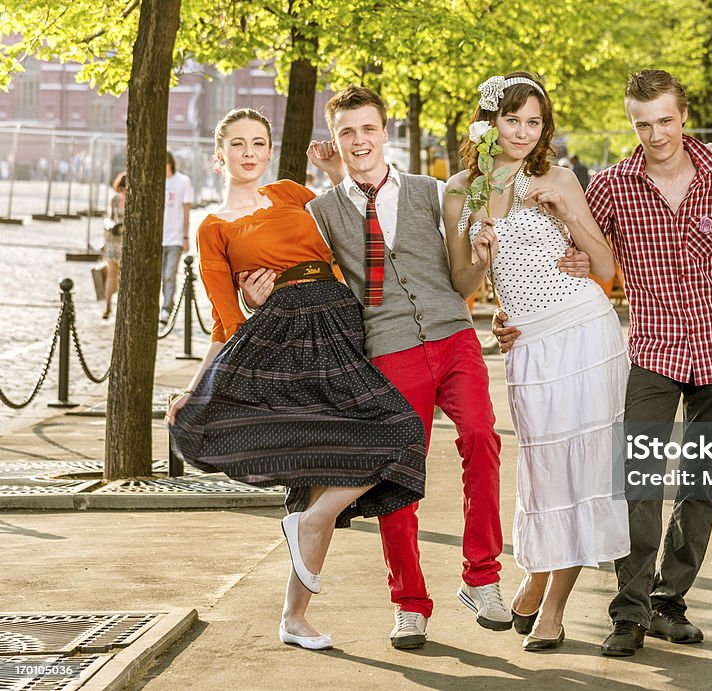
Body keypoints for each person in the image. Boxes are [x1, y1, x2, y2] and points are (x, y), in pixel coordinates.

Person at [495, 69, 712, 657]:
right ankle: (630, 612)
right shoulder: (612, 186)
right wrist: (518, 302)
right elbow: (571, 250)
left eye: (665, 121)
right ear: (632, 124)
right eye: (643, 124)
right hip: (648, 351)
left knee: (699, 488)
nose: (655, 134)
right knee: (639, 485)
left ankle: (671, 603)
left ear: (684, 116)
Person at [259, 85, 587, 650]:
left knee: (483, 436)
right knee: (399, 473)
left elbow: (473, 269)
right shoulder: (321, 213)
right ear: (336, 140)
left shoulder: (434, 193)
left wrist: (493, 276)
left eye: (368, 129)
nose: (360, 141)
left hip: (453, 334)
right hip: (387, 348)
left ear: (386, 132)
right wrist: (253, 298)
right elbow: (300, 282)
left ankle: (482, 577)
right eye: (347, 132)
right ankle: (409, 602)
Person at [165, 108, 427, 652]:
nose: (249, 152)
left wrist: (335, 175)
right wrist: (198, 382)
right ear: (221, 155)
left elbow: (350, 231)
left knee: (400, 430)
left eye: (258, 142)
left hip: (339, 323)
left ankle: (314, 523)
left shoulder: (289, 192)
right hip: (284, 337)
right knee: (313, 476)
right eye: (237, 144)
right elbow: (225, 319)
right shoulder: (212, 227)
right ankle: (295, 617)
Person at [444, 73, 630, 651]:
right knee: (546, 473)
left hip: (587, 331)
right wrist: (480, 256)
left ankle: (551, 606)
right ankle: (532, 582)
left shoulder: (559, 177)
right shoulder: (460, 190)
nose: (525, 132)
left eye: (534, 122)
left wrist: (567, 216)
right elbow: (460, 282)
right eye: (512, 120)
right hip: (528, 342)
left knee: (586, 470)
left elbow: (604, 267)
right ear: (487, 123)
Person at [161, 151, 194, 323]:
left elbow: (187, 212)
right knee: (161, 277)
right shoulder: (156, 180)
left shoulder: (183, 182)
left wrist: (185, 236)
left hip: (175, 238)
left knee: (169, 274)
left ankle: (166, 309)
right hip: (158, 238)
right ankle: (166, 304)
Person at [102, 172, 127, 319]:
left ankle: (120, 307)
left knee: (123, 276)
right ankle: (107, 305)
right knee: (112, 273)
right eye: (122, 188)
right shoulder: (114, 200)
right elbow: (108, 219)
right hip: (114, 240)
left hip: (126, 242)